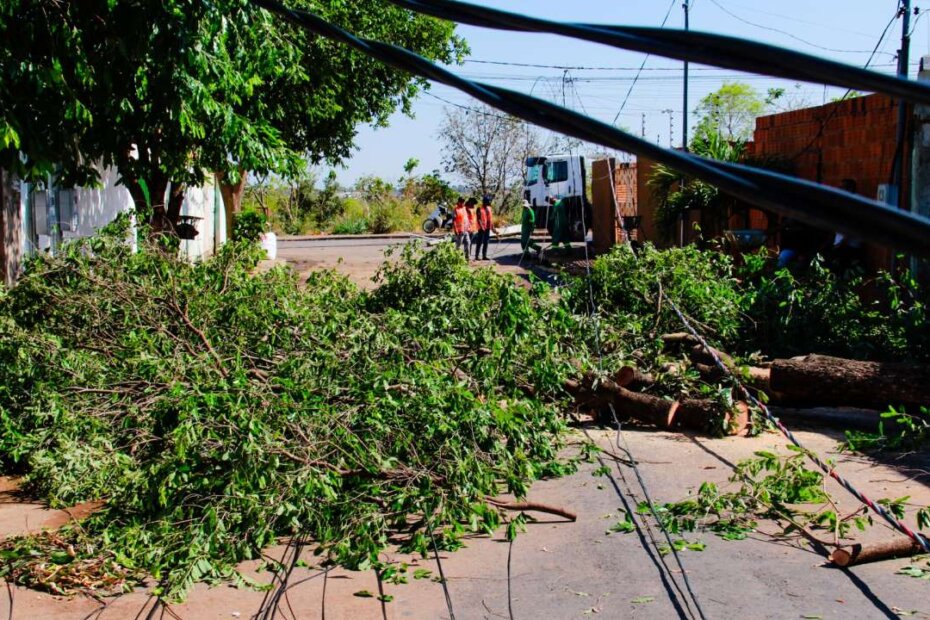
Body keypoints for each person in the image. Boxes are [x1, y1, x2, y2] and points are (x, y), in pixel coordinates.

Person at [473, 195, 496, 261]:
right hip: (481, 228)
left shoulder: (489, 208)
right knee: (479, 242)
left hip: (487, 228)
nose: (488, 202)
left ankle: (484, 256)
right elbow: (479, 219)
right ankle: (477, 256)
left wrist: (493, 227)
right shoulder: (479, 208)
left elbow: (490, 219)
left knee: (486, 242)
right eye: (487, 201)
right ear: (484, 202)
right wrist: (482, 227)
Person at [452, 196, 472, 260]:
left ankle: (467, 258)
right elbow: (454, 220)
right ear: (459, 202)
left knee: (468, 243)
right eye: (462, 202)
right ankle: (456, 259)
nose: (463, 203)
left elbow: (466, 218)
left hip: (465, 230)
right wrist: (456, 230)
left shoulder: (464, 208)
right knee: (458, 246)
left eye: (464, 202)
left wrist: (469, 227)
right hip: (459, 231)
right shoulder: (455, 209)